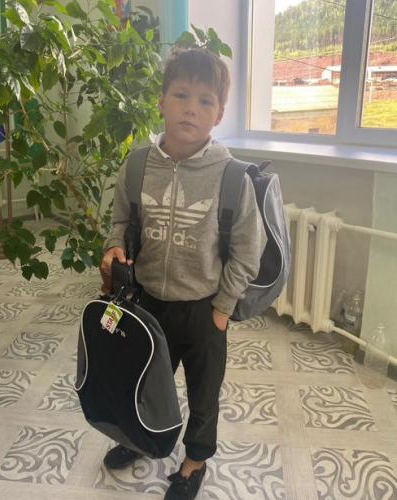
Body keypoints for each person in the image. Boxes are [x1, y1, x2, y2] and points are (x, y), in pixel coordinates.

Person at [100, 47, 267, 500]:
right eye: (181, 95)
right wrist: (114, 247)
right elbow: (120, 220)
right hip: (147, 302)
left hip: (203, 309)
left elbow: (248, 250)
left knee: (203, 394)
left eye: (205, 100)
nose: (191, 108)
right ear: (161, 101)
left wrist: (223, 308)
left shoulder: (231, 176)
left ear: (219, 114)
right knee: (141, 382)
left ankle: (195, 461)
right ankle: (139, 438)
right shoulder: (138, 164)